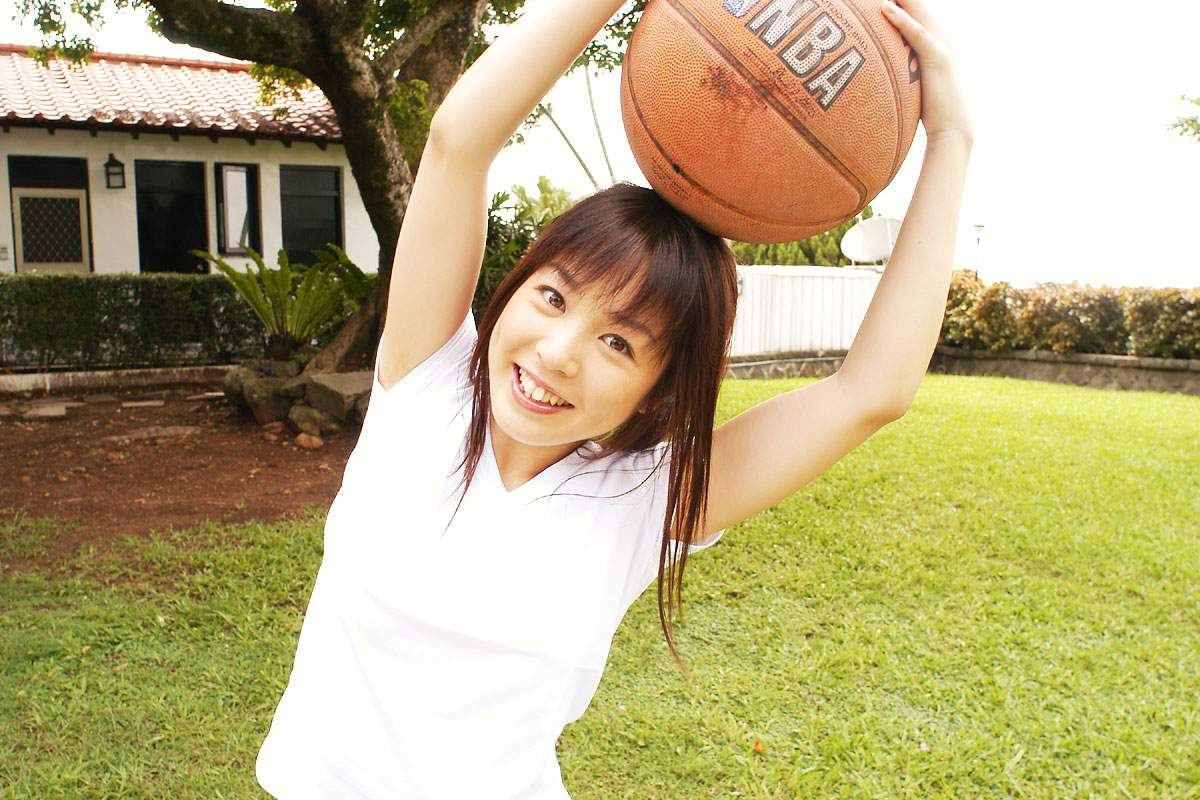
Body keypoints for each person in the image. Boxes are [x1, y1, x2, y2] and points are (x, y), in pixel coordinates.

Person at [255, 0, 973, 796]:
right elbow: (459, 141)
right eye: (554, 298)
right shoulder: (426, 383)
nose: (558, 353)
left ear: (659, 391)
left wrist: (951, 139)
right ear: (516, 286)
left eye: (620, 343)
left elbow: (872, 391)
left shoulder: (646, 499)